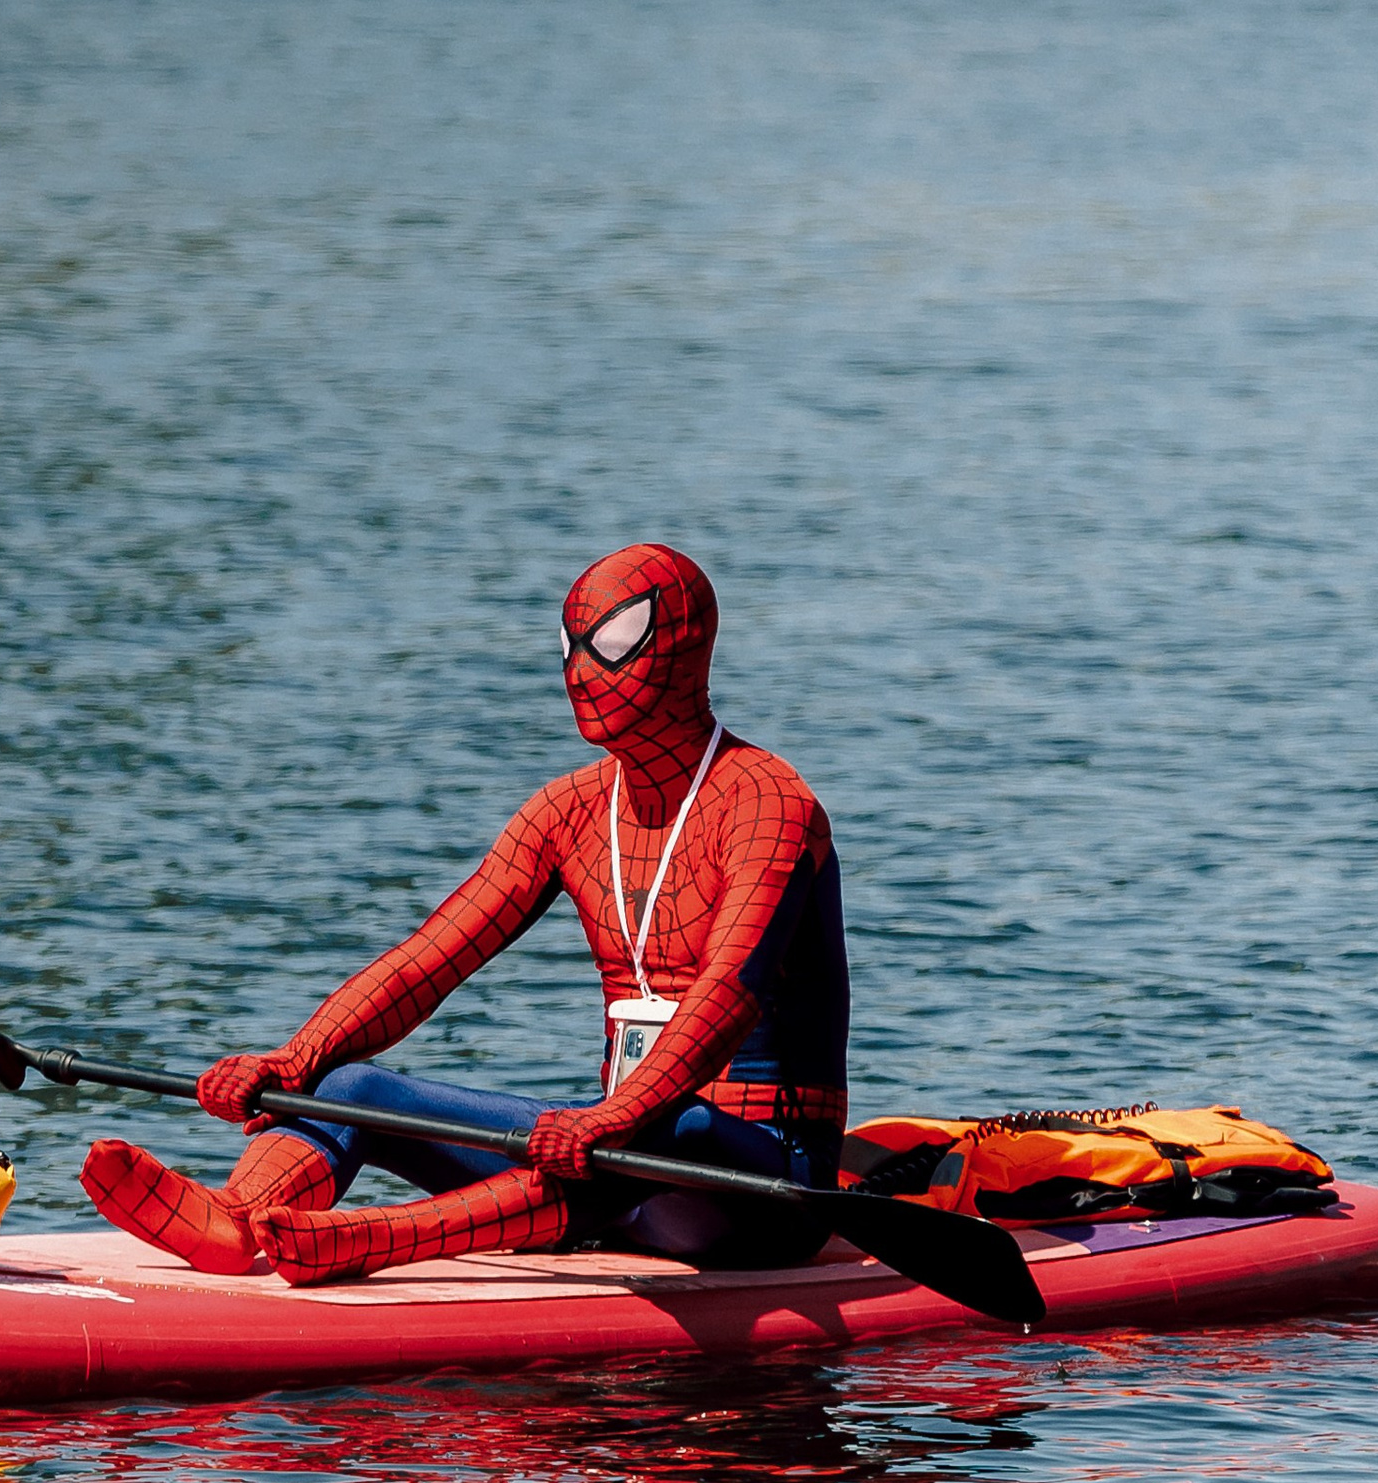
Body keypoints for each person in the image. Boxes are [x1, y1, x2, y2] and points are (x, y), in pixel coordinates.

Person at [79, 541, 849, 1288]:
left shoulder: (768, 803)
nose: (581, 673)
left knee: (668, 1124)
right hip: (609, 1166)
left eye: (615, 644)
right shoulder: (567, 812)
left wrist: (615, 1118)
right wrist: (296, 1059)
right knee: (349, 1088)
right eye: (570, 646)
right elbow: (428, 960)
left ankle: (378, 1241)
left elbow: (727, 993)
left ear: (685, 649)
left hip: (760, 1187)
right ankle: (240, 1217)